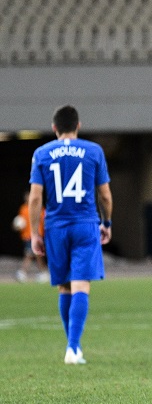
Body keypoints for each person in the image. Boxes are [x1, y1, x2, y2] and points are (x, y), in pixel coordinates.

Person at [28, 105, 112, 365]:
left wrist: (34, 233)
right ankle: (73, 348)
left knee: (64, 287)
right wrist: (106, 222)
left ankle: (71, 347)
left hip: (55, 226)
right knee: (81, 285)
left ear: (54, 128)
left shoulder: (41, 153)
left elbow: (35, 198)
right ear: (78, 125)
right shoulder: (93, 151)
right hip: (85, 224)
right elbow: (105, 194)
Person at [14, 191, 48, 283]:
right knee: (35, 254)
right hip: (27, 235)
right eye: (26, 197)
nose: (28, 198)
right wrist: (17, 226)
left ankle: (23, 272)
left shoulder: (39, 208)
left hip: (37, 235)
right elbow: (20, 223)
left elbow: (45, 219)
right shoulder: (23, 209)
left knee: (30, 254)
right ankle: (44, 272)